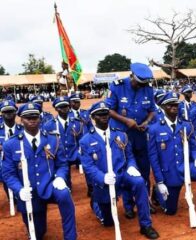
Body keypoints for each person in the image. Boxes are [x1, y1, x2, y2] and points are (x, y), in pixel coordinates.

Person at [79, 101, 159, 239]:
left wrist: (132, 167)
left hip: (122, 175)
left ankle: (146, 225)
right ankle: (96, 203)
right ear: (93, 118)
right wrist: (102, 178)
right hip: (103, 181)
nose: (104, 116)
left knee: (139, 182)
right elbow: (88, 166)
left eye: (105, 113)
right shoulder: (85, 141)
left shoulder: (121, 135)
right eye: (99, 114)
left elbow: (129, 156)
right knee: (108, 222)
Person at [2, 103, 77, 240]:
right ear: (21, 120)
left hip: (49, 186)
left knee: (65, 194)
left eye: (35, 116)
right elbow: (8, 174)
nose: (32, 120)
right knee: (38, 232)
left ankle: (71, 236)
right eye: (27, 117)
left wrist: (60, 177)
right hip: (28, 191)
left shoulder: (53, 139)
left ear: (40, 118)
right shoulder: (11, 144)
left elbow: (62, 164)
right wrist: (19, 190)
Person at [148, 91, 196, 224]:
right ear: (163, 107)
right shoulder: (154, 129)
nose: (174, 107)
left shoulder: (186, 125)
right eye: (170, 105)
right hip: (169, 172)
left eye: (176, 104)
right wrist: (159, 181)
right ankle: (157, 192)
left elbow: (193, 147)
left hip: (186, 166)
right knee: (171, 211)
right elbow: (153, 157)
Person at [105, 62, 156, 217]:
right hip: (122, 136)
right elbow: (109, 110)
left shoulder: (147, 88)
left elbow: (152, 110)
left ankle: (145, 202)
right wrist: (126, 120)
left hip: (140, 135)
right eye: (138, 83)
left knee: (144, 170)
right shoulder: (117, 86)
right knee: (126, 170)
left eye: (144, 84)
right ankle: (128, 205)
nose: (141, 87)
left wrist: (146, 122)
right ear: (132, 76)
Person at [43, 96, 83, 189]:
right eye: (61, 107)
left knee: (89, 163)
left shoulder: (77, 123)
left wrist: (80, 152)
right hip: (59, 155)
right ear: (56, 109)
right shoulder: (49, 125)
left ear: (69, 107)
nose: (64, 109)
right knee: (66, 184)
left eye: (66, 106)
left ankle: (92, 188)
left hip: (74, 153)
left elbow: (81, 140)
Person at [0, 100, 23, 198]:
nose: (8, 114)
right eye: (5, 112)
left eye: (11, 111)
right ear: (1, 114)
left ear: (16, 113)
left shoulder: (23, 129)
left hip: (20, 164)